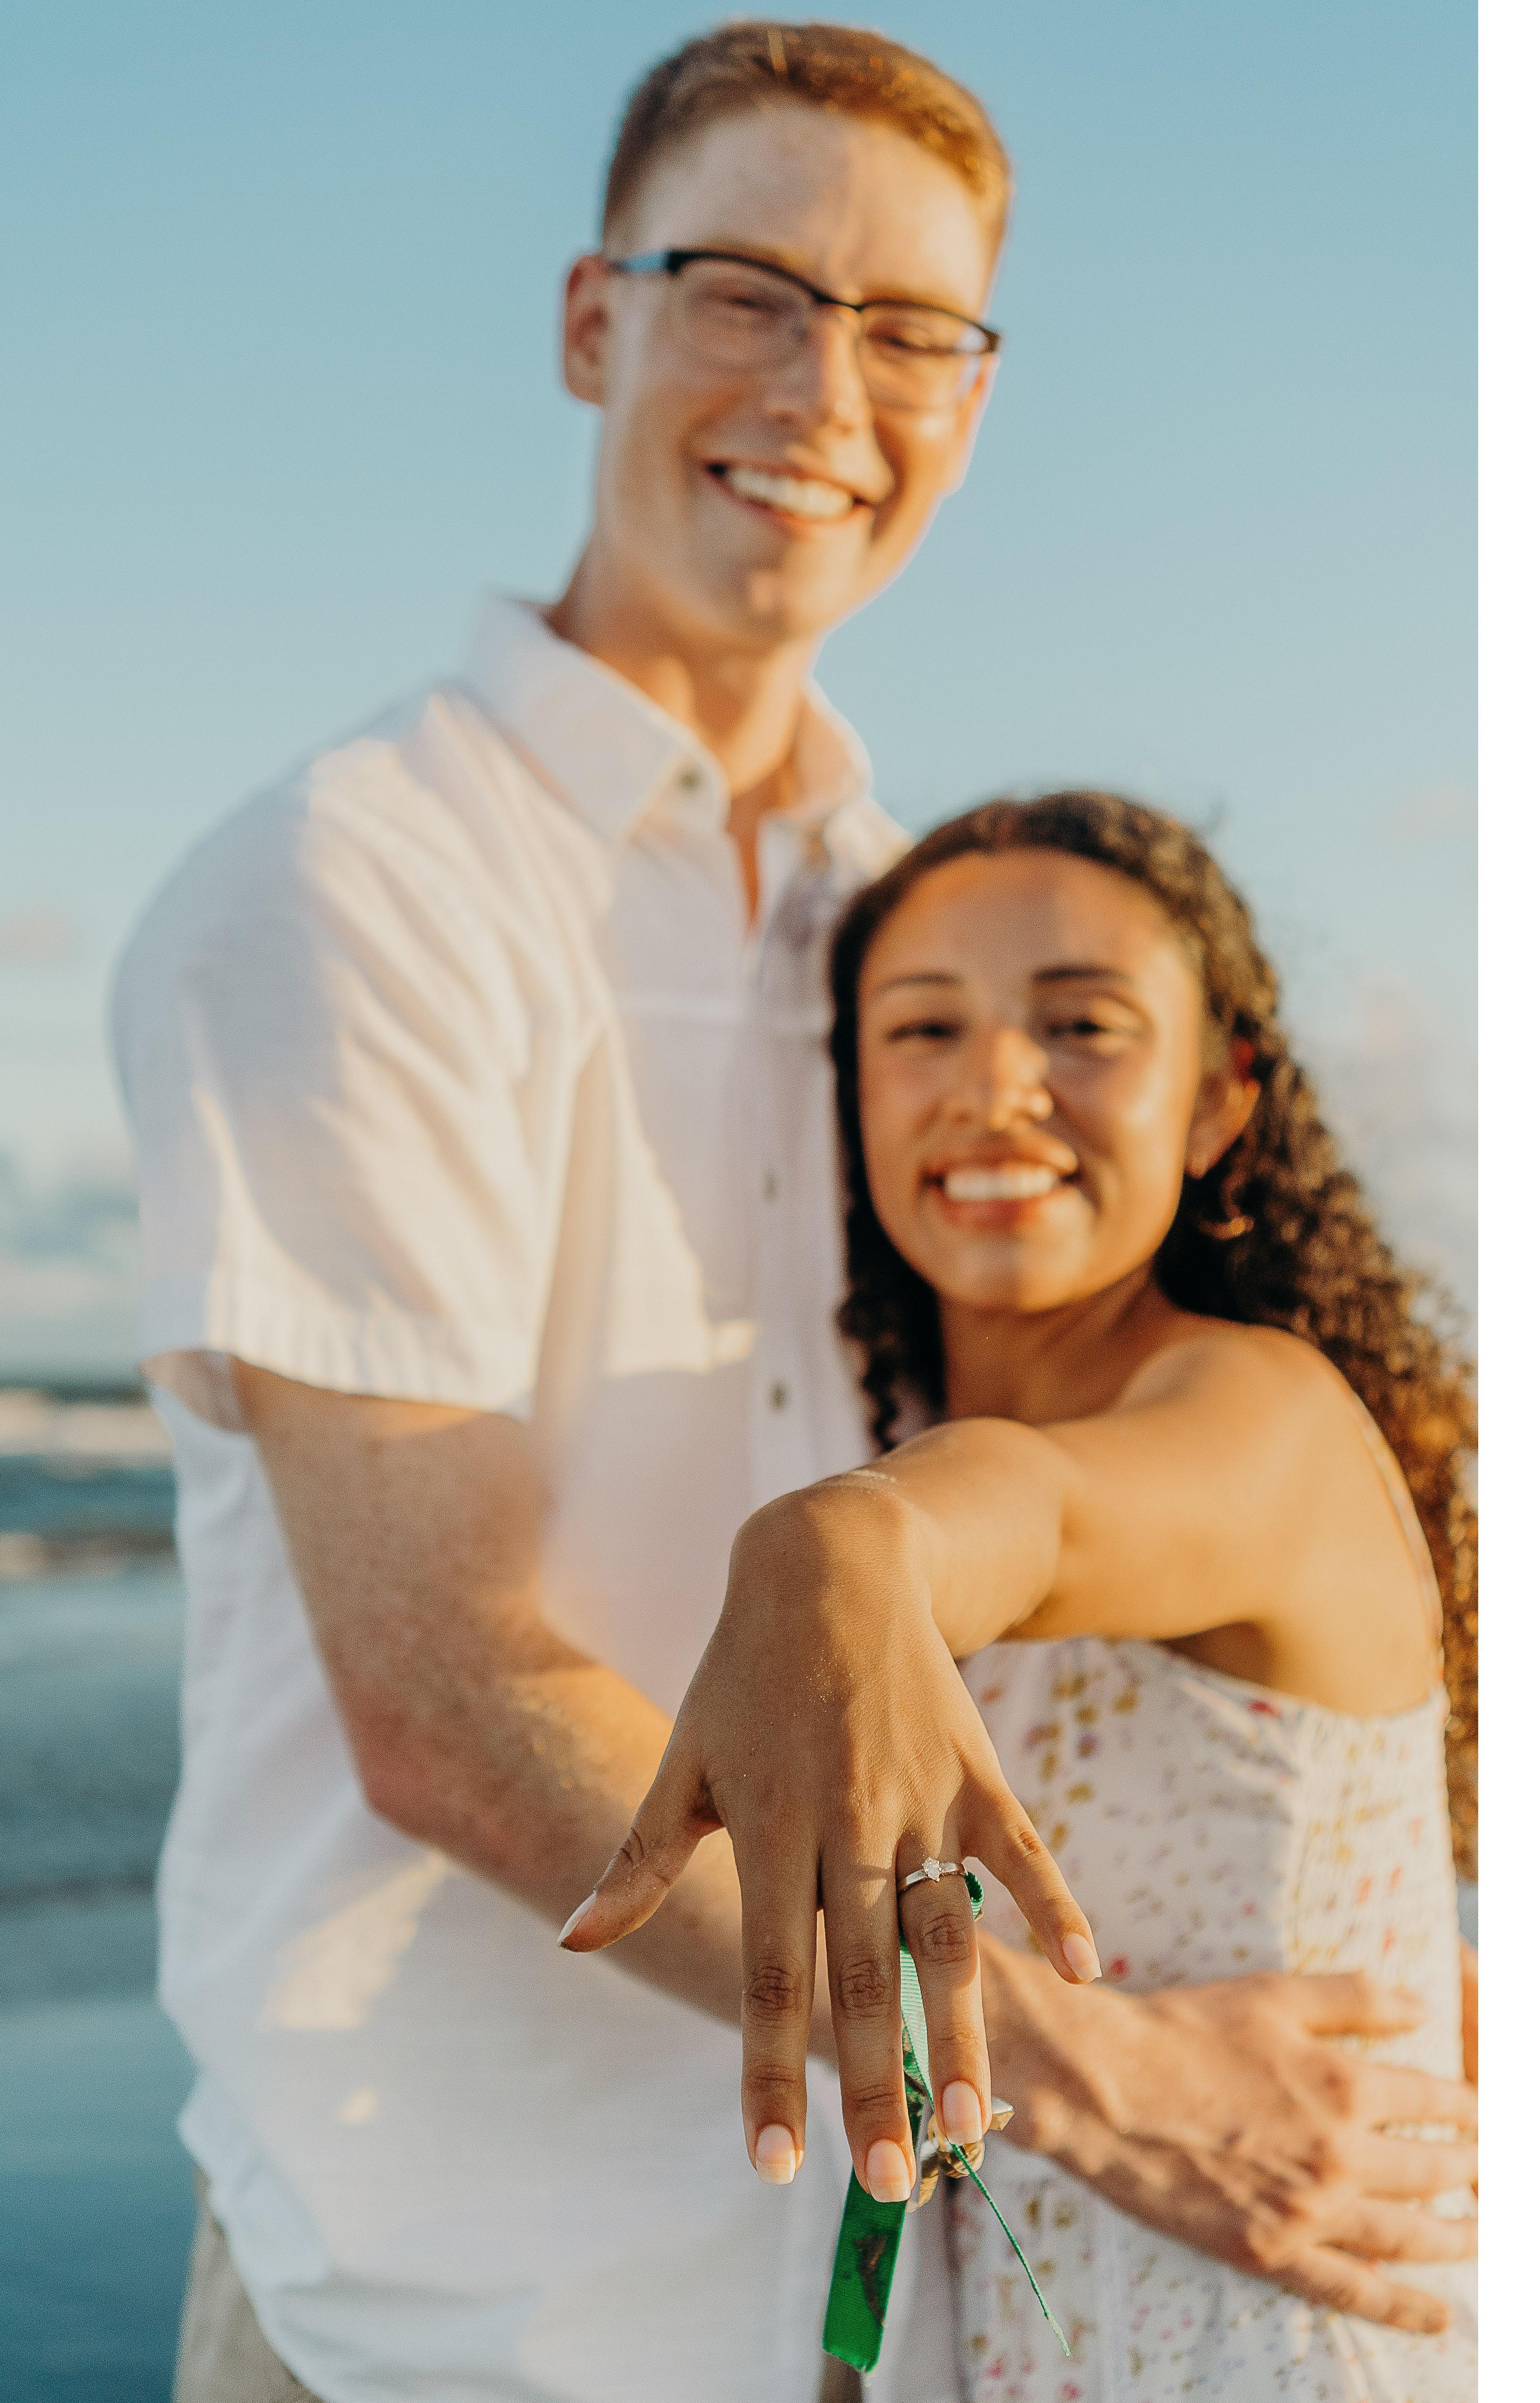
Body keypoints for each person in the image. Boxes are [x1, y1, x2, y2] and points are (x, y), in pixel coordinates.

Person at [113, 24, 1474, 2402]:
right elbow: (442, 1704)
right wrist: (1108, 2076)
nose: (821, 387)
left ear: (972, 392)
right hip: (453, 2306)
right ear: (590, 321)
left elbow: (1124, 1511)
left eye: (908, 326)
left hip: (878, 2309)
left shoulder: (904, 927)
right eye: (743, 289)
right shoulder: (364, 885)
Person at [566, 792, 1478, 2396]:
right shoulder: (901, 1447)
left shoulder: (1267, 1421)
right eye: (925, 1029)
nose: (995, 1087)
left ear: (1221, 1098)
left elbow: (1039, 1514)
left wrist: (838, 1545)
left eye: (1082, 1025)